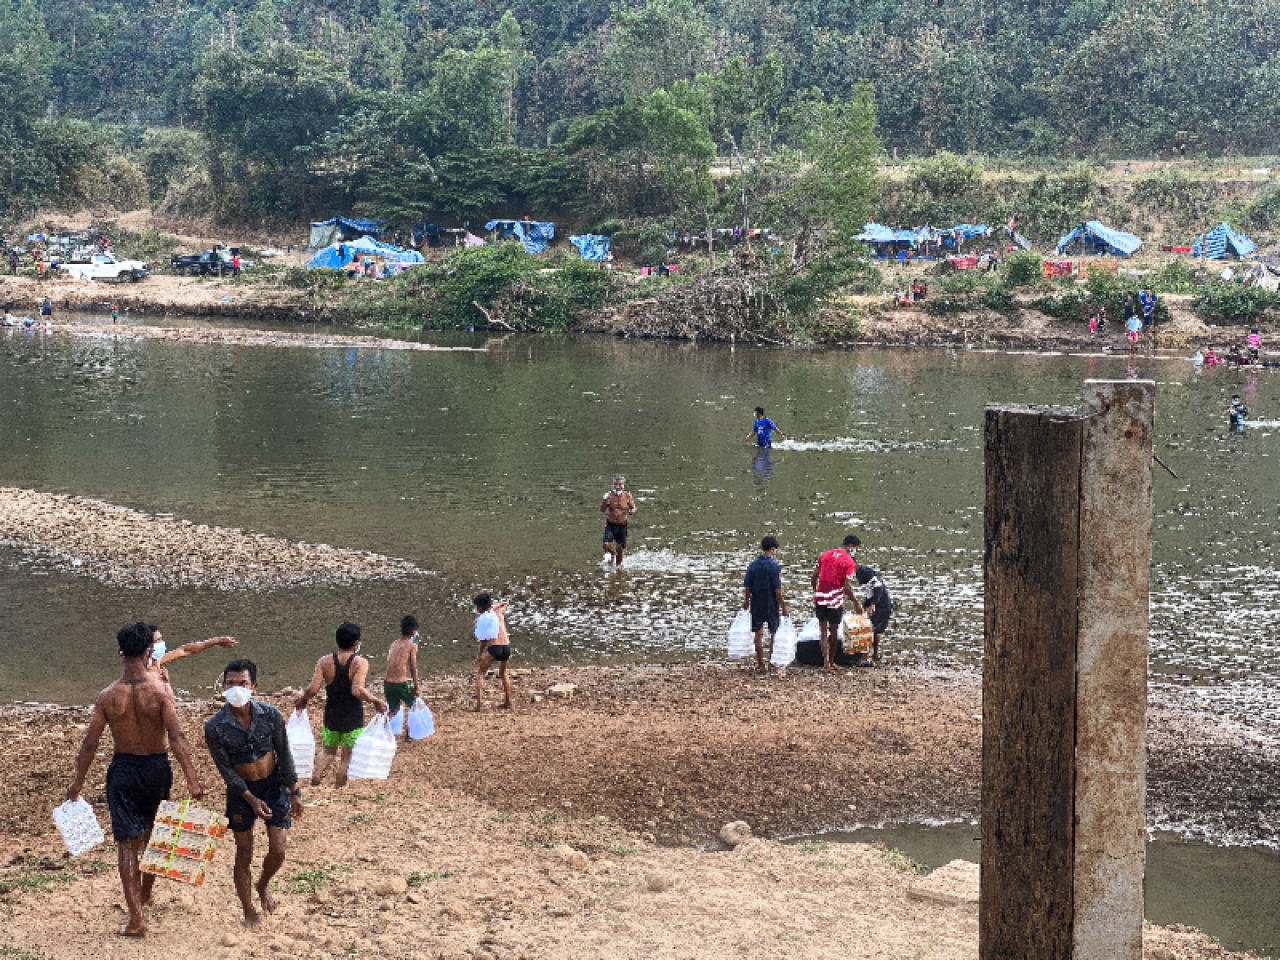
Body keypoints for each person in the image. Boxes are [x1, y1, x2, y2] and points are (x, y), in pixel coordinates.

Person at [66, 623, 205, 937]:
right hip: (156, 767)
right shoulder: (160, 691)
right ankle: (144, 894)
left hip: (124, 769)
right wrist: (193, 780)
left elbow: (90, 743)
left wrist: (78, 782)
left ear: (119, 652)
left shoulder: (107, 696)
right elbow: (177, 736)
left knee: (128, 844)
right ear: (147, 652)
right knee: (156, 835)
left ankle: (136, 918)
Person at [204, 659, 302, 927]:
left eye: (243, 684)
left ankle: (263, 885)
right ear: (223, 687)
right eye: (231, 684)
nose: (236, 689)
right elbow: (226, 771)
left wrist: (294, 791)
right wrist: (250, 798)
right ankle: (248, 910)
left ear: (254, 687)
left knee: (279, 849)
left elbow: (284, 753)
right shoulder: (215, 727)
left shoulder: (270, 716)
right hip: (241, 792)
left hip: (272, 785)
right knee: (244, 851)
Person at [294, 623, 387, 788]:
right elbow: (357, 690)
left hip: (331, 713)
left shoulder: (324, 661)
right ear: (356, 644)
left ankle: (316, 777)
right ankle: (338, 787)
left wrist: (303, 699)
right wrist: (375, 701)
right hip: (352, 714)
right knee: (347, 756)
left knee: (328, 751)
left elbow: (314, 689)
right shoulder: (360, 662)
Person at [809, 535, 865, 671]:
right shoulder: (848, 562)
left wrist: (816, 592)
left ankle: (825, 662)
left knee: (823, 631)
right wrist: (856, 603)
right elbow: (847, 587)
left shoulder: (825, 555)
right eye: (855, 548)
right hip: (835, 601)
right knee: (833, 631)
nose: (855, 551)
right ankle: (832, 661)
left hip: (820, 597)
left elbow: (813, 577)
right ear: (851, 546)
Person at [742, 536, 789, 674]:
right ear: (773, 549)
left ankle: (760, 664)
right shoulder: (774, 566)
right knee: (774, 632)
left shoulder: (753, 565)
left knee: (758, 633)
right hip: (771, 602)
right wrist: (783, 606)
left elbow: (747, 586)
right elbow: (778, 590)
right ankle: (771, 662)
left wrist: (746, 601)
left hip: (756, 601)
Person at [147, 627, 238, 686]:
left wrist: (216, 641)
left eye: (161, 639)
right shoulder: (139, 668)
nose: (162, 643)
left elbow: (185, 650)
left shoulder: (156, 661)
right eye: (157, 640)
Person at [473, 593, 512, 710]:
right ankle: (508, 701)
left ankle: (479, 705)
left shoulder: (482, 620)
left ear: (480, 608)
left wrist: (479, 655)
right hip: (506, 646)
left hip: (495, 647)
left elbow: (483, 641)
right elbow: (506, 604)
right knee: (503, 673)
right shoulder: (499, 613)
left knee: (481, 673)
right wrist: (495, 606)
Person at [383, 615, 421, 737]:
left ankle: (380, 730)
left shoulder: (394, 643)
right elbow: (413, 667)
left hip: (388, 683)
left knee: (393, 710)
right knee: (416, 704)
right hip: (401, 683)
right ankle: (410, 733)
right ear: (413, 631)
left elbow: (390, 663)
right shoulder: (412, 646)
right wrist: (416, 686)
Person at [854, 556, 893, 665]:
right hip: (876, 602)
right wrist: (864, 605)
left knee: (870, 629)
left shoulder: (866, 572)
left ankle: (865, 658)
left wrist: (873, 604)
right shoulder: (859, 574)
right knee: (875, 630)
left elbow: (878, 588)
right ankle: (874, 655)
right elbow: (870, 592)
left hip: (882, 604)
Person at [601, 475, 637, 567]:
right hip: (610, 524)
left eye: (619, 484)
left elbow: (633, 507)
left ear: (623, 485)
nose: (617, 486)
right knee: (605, 544)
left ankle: (618, 570)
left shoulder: (627, 496)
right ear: (613, 485)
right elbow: (602, 510)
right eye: (616, 484)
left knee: (620, 548)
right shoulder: (609, 495)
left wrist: (631, 511)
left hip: (622, 525)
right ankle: (612, 554)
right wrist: (605, 501)